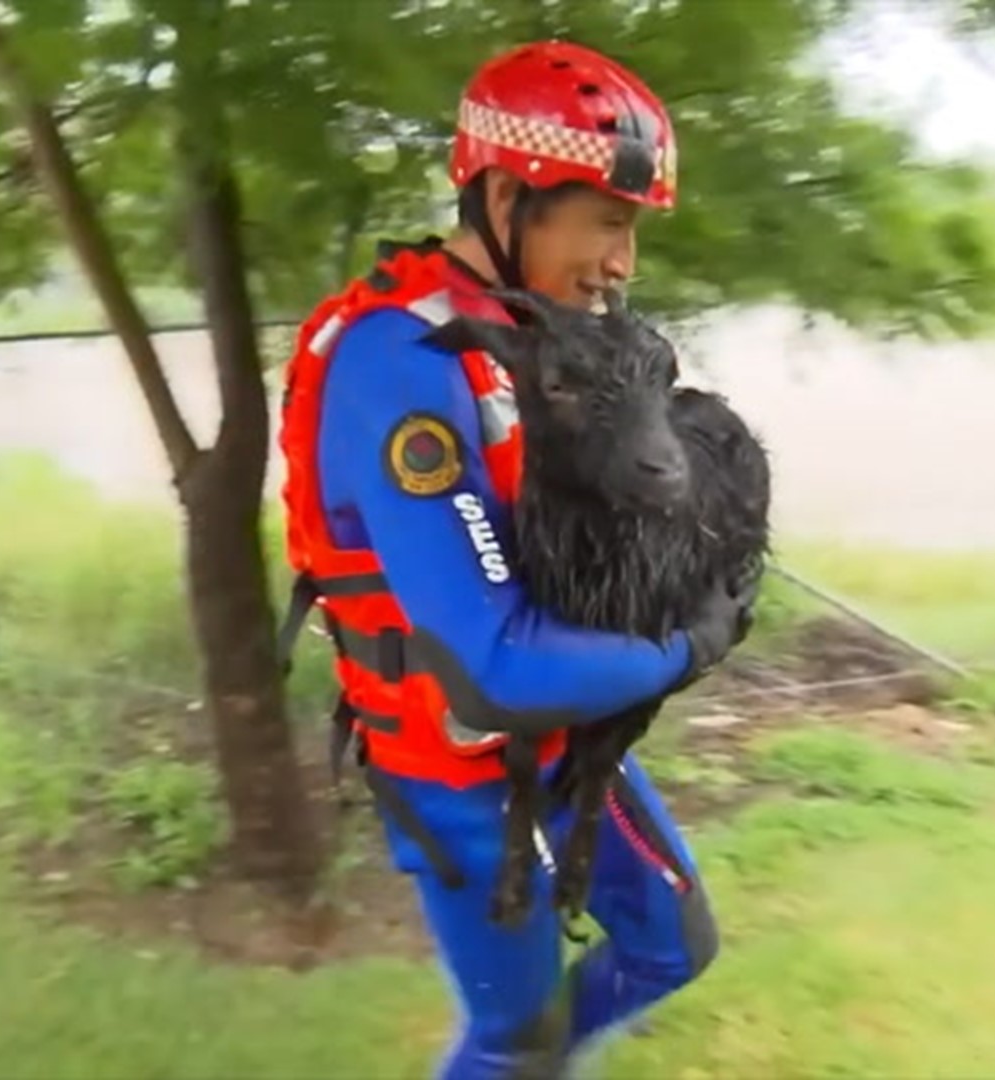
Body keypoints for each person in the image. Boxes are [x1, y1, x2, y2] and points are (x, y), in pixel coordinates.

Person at [275, 39, 754, 1080]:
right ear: (507, 194)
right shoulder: (402, 362)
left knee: (675, 944)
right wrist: (684, 648)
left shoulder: (529, 338)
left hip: (567, 740)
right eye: (610, 223)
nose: (624, 262)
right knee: (515, 1044)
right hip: (461, 769)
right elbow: (491, 664)